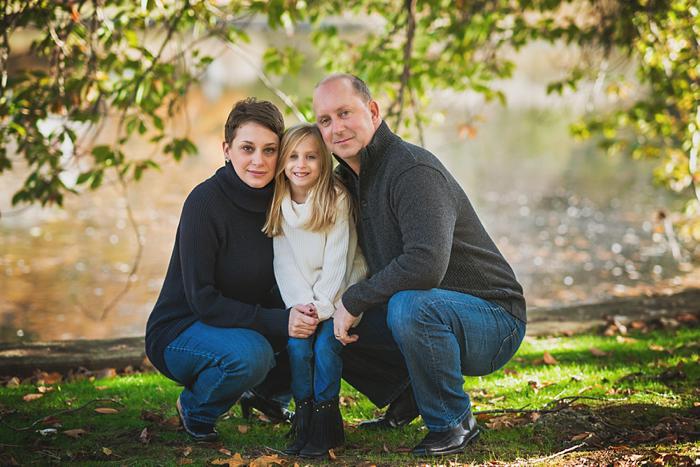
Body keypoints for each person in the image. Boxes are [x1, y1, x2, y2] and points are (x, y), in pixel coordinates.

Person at [312, 74, 527, 456]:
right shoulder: (350, 181)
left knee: (408, 305)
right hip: (434, 313)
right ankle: (409, 393)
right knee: (328, 322)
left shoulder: (412, 170)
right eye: (325, 120)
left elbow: (425, 265)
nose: (336, 128)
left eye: (345, 112)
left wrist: (355, 298)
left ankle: (453, 423)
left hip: (495, 319)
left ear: (373, 111)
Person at [145, 98, 320, 441]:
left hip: (241, 322)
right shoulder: (205, 203)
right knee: (251, 355)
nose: (259, 160)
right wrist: (280, 321)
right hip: (182, 329)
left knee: (318, 319)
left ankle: (268, 396)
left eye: (270, 150)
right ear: (227, 149)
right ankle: (196, 408)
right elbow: (203, 300)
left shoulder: (286, 199)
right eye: (247, 148)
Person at [263, 123, 367, 457]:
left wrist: (322, 308)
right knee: (298, 349)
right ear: (282, 162)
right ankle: (304, 419)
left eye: (310, 156)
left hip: (340, 295)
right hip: (303, 301)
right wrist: (300, 307)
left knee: (325, 347)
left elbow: (340, 260)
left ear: (323, 160)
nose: (300, 164)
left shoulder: (335, 199)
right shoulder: (279, 201)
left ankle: (326, 425)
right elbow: (284, 263)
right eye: (292, 156)